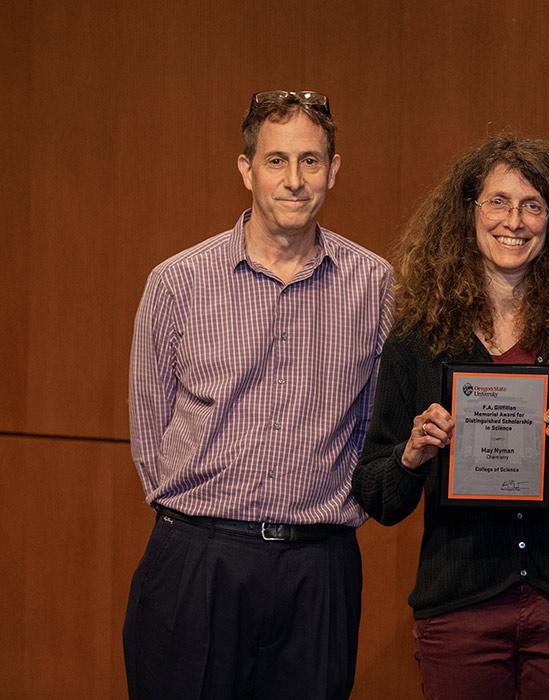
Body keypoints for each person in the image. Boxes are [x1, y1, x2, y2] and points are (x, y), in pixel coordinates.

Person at [124, 90, 393, 699]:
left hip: (318, 569)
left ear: (334, 169)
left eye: (310, 161)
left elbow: (377, 430)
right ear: (245, 169)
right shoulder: (177, 283)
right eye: (276, 161)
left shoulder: (375, 286)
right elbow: (150, 435)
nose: (294, 181)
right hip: (198, 561)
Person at [353, 135, 549, 700]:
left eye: (533, 205)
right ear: (469, 214)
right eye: (498, 202)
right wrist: (411, 458)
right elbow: (377, 495)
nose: (515, 220)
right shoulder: (418, 340)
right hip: (459, 610)